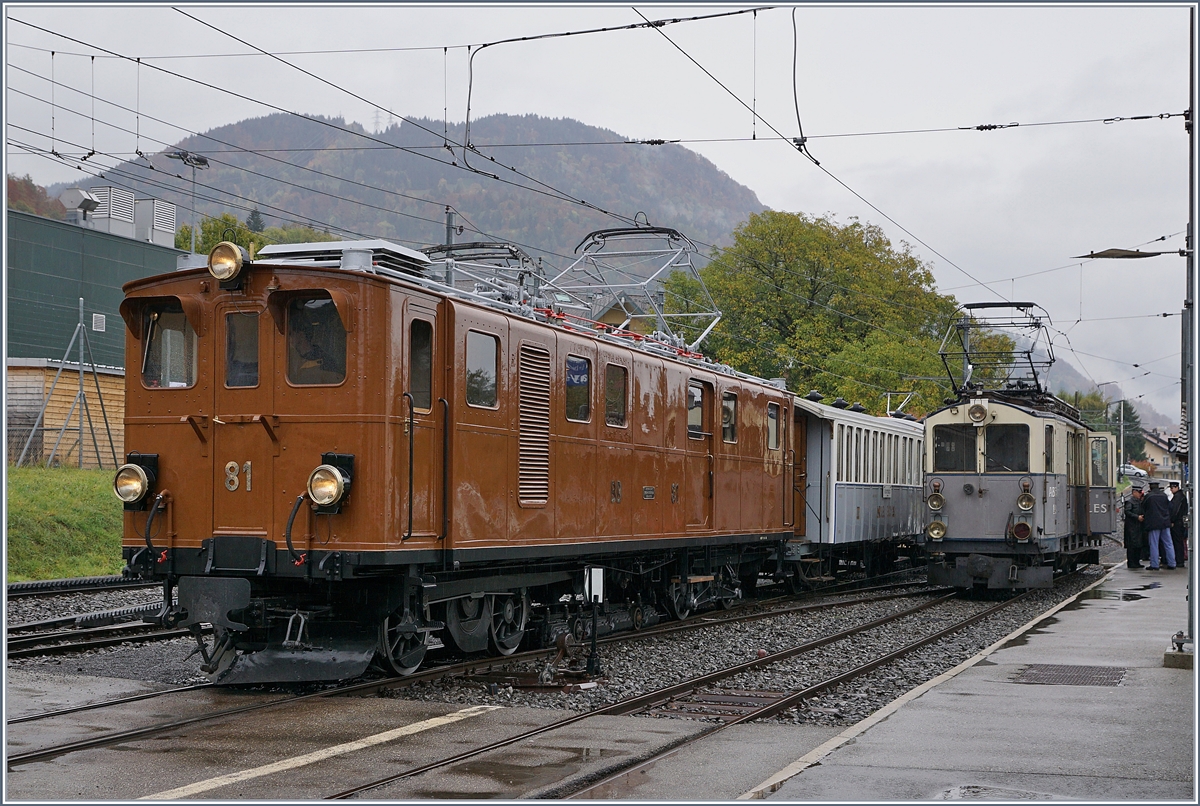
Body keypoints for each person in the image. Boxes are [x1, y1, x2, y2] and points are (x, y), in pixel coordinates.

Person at [1143, 479, 1176, 570]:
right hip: (1165, 522)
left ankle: (1154, 564)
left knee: (1154, 544)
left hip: (1153, 523)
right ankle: (1172, 563)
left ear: (1150, 487)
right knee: (1168, 543)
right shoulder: (1164, 496)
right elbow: (1170, 507)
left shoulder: (1149, 497)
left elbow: (1143, 507)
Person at [1123, 484, 1146, 569]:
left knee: (1138, 545)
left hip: (1139, 527)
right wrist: (1137, 517)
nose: (1140, 494)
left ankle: (1137, 562)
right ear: (1134, 492)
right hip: (1132, 527)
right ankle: (1131, 562)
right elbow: (1127, 512)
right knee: (1132, 546)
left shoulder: (1140, 502)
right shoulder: (1130, 502)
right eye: (1139, 492)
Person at [1169, 481, 1189, 568]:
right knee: (1179, 542)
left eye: (1172, 488)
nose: (1171, 490)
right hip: (1181, 522)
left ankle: (1179, 560)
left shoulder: (1177, 498)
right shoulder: (1181, 497)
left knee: (1177, 542)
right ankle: (1179, 560)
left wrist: (1172, 520)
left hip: (1177, 523)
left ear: (1176, 487)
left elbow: (1175, 511)